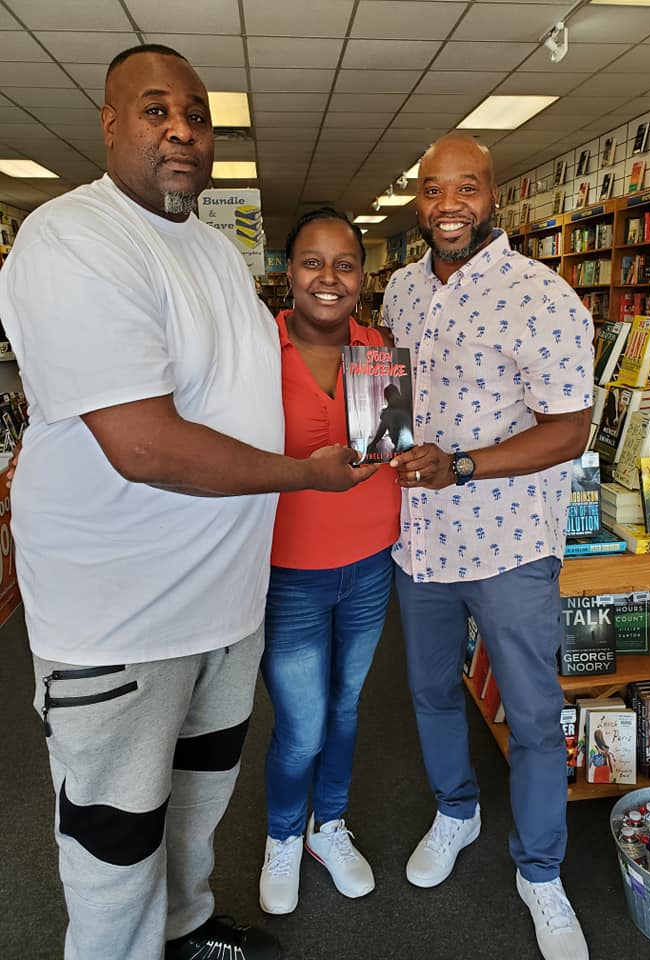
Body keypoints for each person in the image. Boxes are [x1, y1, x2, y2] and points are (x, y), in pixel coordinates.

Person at [0, 45, 377, 960]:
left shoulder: (211, 248)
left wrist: (372, 403)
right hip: (120, 624)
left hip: (223, 611)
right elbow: (143, 444)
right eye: (157, 111)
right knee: (112, 844)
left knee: (196, 810)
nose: (182, 131)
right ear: (110, 123)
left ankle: (186, 930)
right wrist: (305, 477)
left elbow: (240, 389)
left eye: (199, 117)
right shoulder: (71, 238)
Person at [382, 132, 594, 960]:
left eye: (465, 189)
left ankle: (541, 871)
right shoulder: (399, 287)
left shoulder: (541, 294)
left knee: (536, 714)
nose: (448, 206)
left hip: (508, 544)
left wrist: (462, 464)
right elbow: (394, 395)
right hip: (419, 544)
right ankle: (457, 811)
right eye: (434, 191)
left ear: (492, 195)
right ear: (419, 198)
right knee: (432, 692)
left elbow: (571, 430)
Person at [258, 208, 400, 915]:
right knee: (302, 722)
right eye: (312, 262)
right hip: (288, 570)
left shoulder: (378, 346)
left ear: (362, 279)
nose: (328, 278)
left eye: (345, 264)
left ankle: (328, 826)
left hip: (372, 561)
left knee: (346, 708)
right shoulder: (257, 345)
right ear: (289, 272)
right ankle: (282, 833)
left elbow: (386, 449)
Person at [366, 383, 415, 460]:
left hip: (402, 450)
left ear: (387, 398)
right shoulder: (407, 408)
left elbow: (381, 431)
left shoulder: (389, 413)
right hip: (413, 447)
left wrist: (373, 443)